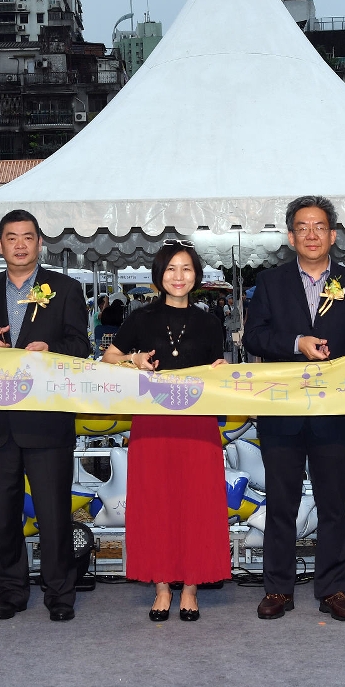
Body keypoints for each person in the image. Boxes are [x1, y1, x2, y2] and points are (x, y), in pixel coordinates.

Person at [243, 196, 345, 622]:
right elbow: (254, 339)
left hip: (333, 409)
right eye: (303, 227)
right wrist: (295, 343)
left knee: (332, 504)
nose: (312, 234)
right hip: (281, 410)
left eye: (320, 226)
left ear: (333, 234)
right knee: (281, 502)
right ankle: (278, 590)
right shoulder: (269, 283)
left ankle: (333, 589)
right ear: (290, 236)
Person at [0, 210, 90, 622]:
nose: (19, 245)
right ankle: (10, 591)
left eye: (27, 237)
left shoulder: (65, 289)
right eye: (11, 238)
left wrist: (52, 350)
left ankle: (60, 593)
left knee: (53, 513)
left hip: (47, 419)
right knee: (4, 511)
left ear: (39, 243)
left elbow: (81, 346)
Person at [102, 242, 230, 622]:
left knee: (197, 502)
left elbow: (216, 367)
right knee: (154, 501)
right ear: (159, 275)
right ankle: (161, 586)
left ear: (197, 276)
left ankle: (191, 586)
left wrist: (220, 369)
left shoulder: (210, 322)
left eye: (186, 269)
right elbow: (109, 358)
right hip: (152, 423)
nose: (179, 276)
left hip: (197, 424)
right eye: (171, 269)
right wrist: (132, 359)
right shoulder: (140, 318)